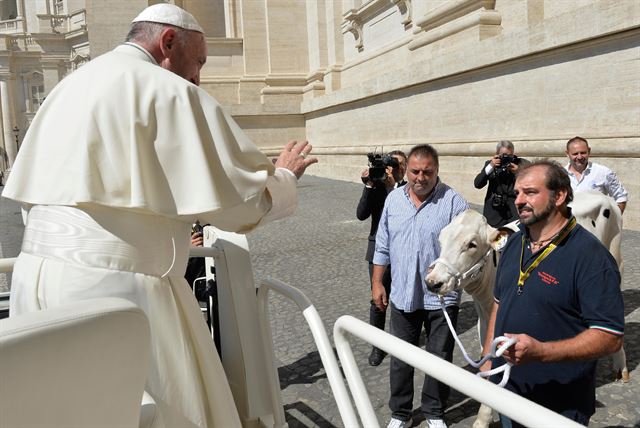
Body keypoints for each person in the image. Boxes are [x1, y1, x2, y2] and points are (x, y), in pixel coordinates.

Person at [1, 4, 317, 428]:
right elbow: (238, 203)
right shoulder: (167, 90)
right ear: (168, 42)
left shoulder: (69, 85)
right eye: (199, 61)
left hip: (34, 282)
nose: (198, 77)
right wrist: (283, 178)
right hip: (117, 293)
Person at [481, 160, 624, 426]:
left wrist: (541, 352)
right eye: (517, 194)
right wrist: (487, 361)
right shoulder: (514, 242)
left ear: (559, 196)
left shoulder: (591, 257)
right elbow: (499, 305)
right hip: (510, 394)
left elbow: (609, 337)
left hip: (559, 406)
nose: (519, 200)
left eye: (530, 192)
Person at [372, 144, 468, 428]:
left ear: (437, 171)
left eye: (427, 171)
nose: (420, 177)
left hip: (442, 298)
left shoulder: (454, 202)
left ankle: (434, 411)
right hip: (403, 294)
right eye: (415, 171)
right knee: (401, 358)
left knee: (439, 358)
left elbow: (466, 248)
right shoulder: (393, 201)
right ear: (407, 170)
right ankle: (400, 413)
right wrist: (377, 282)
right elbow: (383, 245)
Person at [356, 150, 406, 366]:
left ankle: (401, 341)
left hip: (404, 250)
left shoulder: (409, 188)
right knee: (378, 299)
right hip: (378, 251)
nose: (394, 168)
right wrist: (368, 184)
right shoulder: (376, 186)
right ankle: (378, 346)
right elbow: (361, 214)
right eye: (391, 164)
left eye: (398, 164)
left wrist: (394, 185)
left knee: (403, 298)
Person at [564, 136, 628, 213]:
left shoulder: (603, 172)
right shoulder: (560, 175)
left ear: (589, 151)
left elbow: (621, 196)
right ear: (567, 154)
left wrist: (614, 221)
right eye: (575, 154)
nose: (580, 157)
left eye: (583, 152)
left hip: (595, 224)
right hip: (569, 223)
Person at [474, 140, 527, 228]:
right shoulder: (490, 164)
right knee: (494, 239)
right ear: (497, 154)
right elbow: (478, 184)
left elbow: (532, 181)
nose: (506, 158)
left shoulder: (521, 163)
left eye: (510, 155)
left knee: (514, 238)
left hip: (515, 212)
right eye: (503, 155)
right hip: (495, 211)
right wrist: (491, 166)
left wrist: (519, 171)